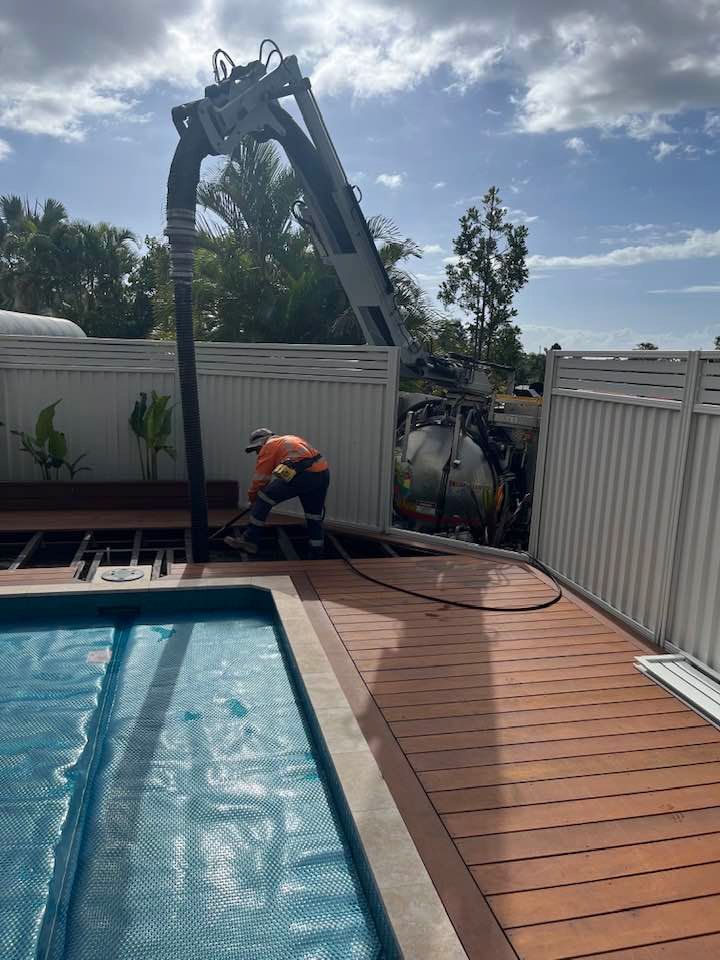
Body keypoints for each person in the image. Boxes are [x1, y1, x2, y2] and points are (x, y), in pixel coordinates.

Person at [225, 428, 330, 558]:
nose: (257, 453)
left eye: (256, 449)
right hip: (322, 473)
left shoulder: (269, 446)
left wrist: (254, 500)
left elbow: (260, 480)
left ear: (262, 443)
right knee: (313, 515)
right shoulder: (290, 439)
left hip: (302, 475)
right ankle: (316, 551)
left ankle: (249, 541)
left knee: (263, 498)